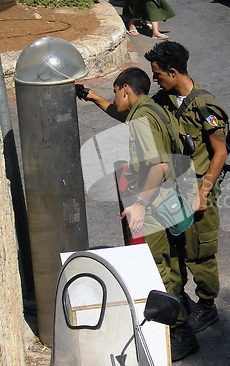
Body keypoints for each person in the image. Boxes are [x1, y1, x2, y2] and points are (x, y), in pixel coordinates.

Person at [77, 67, 199, 361]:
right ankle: (182, 308)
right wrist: (93, 96)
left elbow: (159, 168)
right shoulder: (151, 109)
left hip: (154, 204)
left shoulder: (142, 119)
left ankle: (179, 331)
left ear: (125, 90)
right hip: (170, 200)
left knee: (158, 268)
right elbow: (122, 115)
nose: (114, 98)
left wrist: (139, 205)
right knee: (172, 261)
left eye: (114, 92)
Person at [144, 41, 229, 334]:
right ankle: (181, 301)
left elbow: (220, 152)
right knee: (176, 250)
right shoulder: (165, 100)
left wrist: (203, 194)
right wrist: (93, 97)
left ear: (172, 71)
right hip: (173, 191)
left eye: (157, 74)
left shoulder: (205, 106)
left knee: (200, 253)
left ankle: (207, 306)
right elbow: (132, 111)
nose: (155, 79)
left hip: (197, 192)